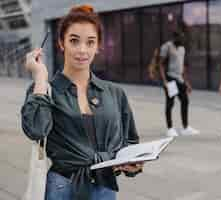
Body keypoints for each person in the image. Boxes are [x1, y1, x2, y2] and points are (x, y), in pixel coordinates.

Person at [21, 5, 142, 200]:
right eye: (74, 41)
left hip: (105, 188)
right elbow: (35, 129)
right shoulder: (44, 90)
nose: (82, 50)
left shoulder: (115, 93)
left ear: (98, 46)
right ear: (61, 43)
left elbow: (130, 141)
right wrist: (40, 77)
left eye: (90, 42)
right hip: (61, 188)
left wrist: (132, 162)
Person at [159, 31, 199, 137]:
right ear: (174, 38)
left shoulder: (182, 49)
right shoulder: (166, 47)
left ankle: (185, 128)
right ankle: (170, 128)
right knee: (170, 103)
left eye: (183, 38)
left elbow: (182, 67)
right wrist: (164, 81)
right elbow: (161, 65)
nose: (182, 40)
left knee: (185, 101)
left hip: (180, 79)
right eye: (180, 38)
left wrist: (187, 83)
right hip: (170, 78)